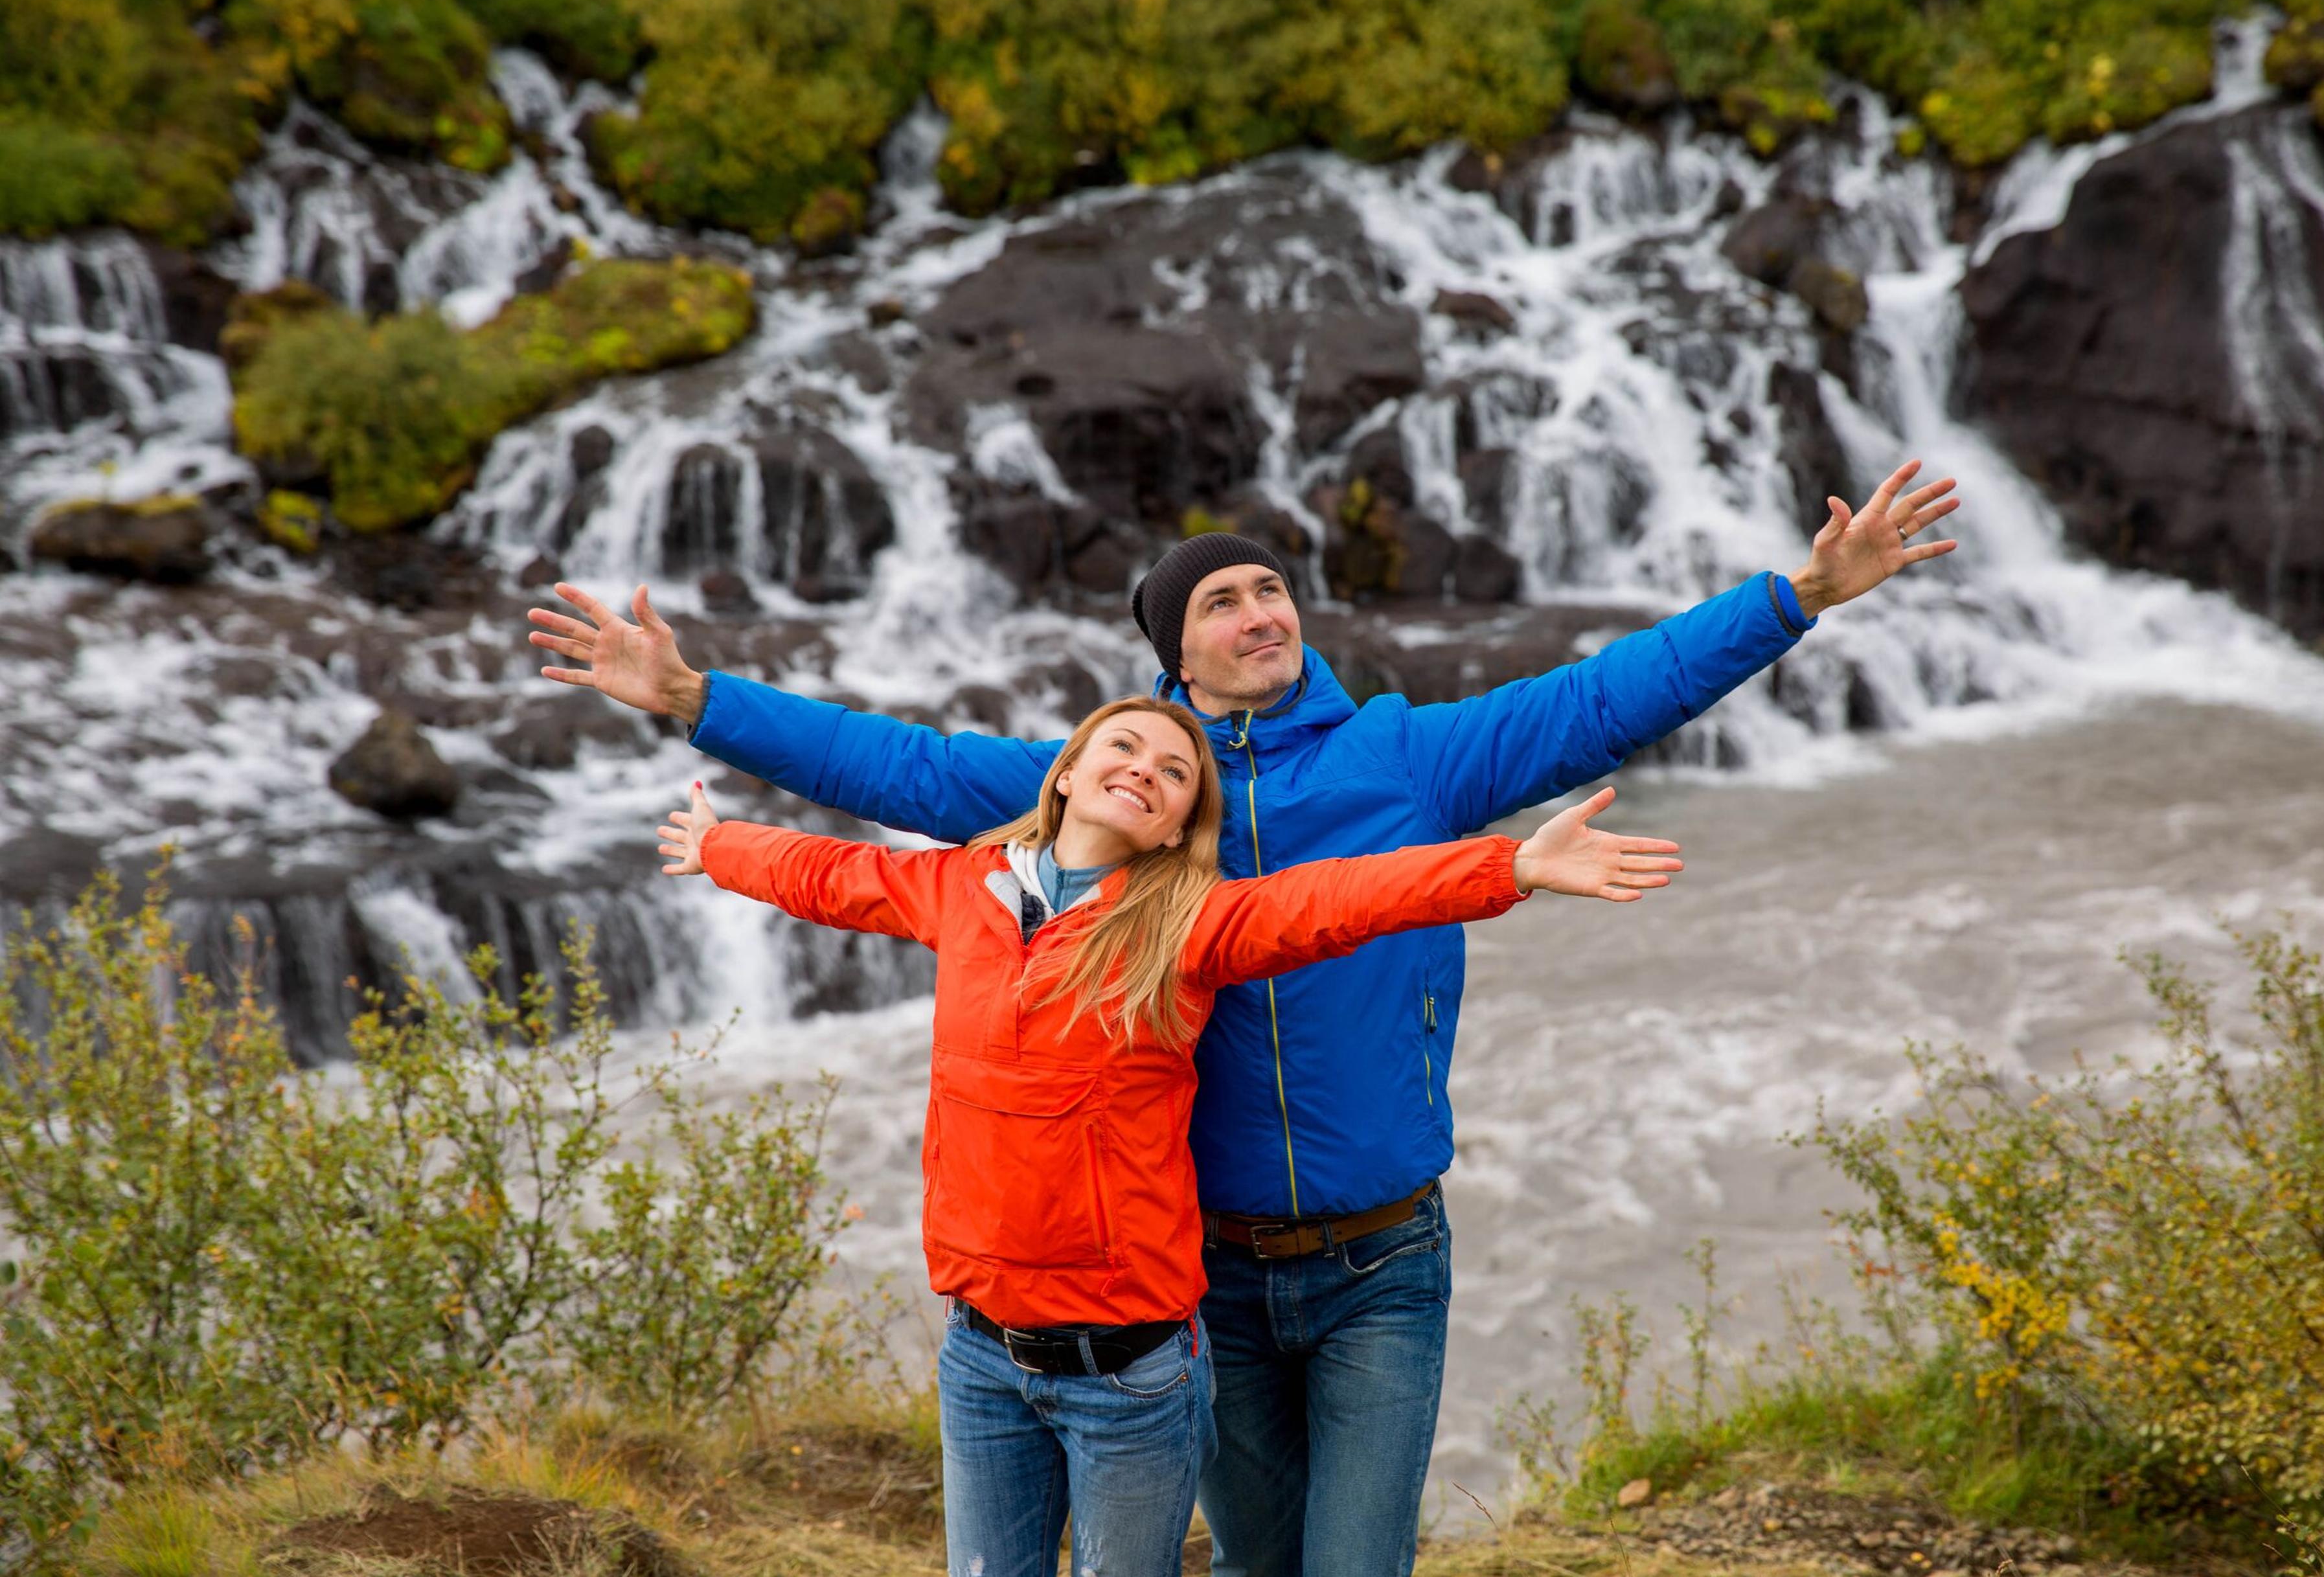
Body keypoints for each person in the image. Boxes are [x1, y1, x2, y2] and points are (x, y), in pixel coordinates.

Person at [531, 458, 1960, 1576]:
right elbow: (896, 772)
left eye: (1271, 590)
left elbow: (1610, 692)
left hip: (1380, 1258)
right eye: (1222, 603)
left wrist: (1800, 594)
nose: (1260, 613)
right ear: (1171, 658)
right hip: (1197, 1277)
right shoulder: (1119, 792)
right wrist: (693, 698)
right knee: (1260, 1562)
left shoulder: (1412, 755)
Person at [655, 694, 1685, 1577]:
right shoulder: (961, 890)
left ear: (1176, 826)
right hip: (982, 1352)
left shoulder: (1186, 925)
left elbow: (1339, 900)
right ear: (1067, 773)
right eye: (1123, 749)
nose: (1145, 771)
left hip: (1132, 1371)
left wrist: (1509, 867)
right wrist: (717, 846)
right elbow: (830, 872)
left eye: (1175, 773)